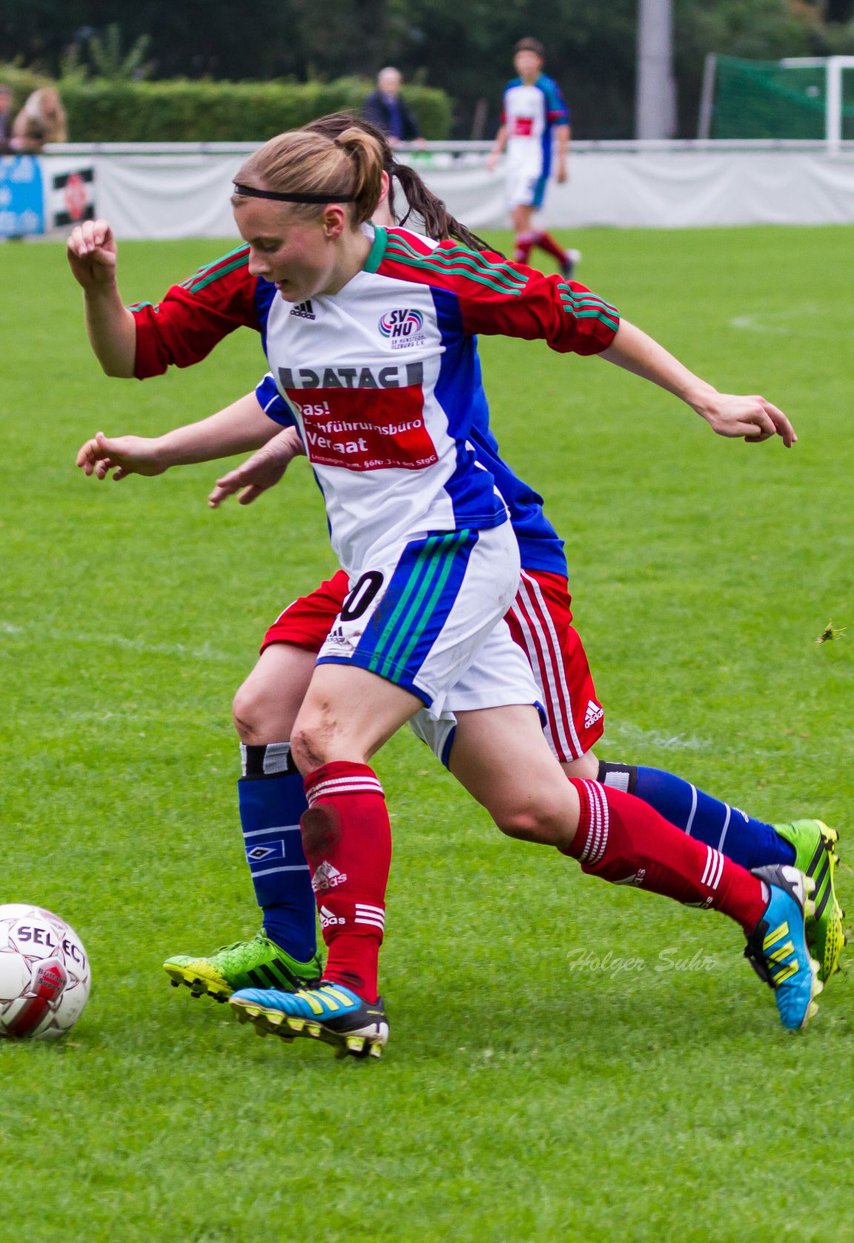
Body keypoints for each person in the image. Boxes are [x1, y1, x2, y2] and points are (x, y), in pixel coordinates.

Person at [71, 125, 832, 1056]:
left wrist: (707, 397)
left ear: (339, 217)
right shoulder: (264, 282)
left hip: (453, 542)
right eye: (249, 241)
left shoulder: (435, 278)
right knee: (533, 803)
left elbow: (580, 317)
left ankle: (349, 992)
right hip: (378, 559)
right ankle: (763, 898)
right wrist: (100, 291)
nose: (254, 263)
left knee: (322, 730)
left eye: (271, 244)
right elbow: (137, 355)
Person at [487, 37, 579, 278]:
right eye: (520, 58)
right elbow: (507, 124)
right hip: (515, 160)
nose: (524, 62)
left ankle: (519, 275)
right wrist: (496, 152)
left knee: (520, 215)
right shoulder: (511, 88)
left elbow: (562, 125)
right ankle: (564, 259)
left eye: (529, 58)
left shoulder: (547, 88)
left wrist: (562, 161)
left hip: (536, 161)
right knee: (520, 222)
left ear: (539, 62)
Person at [363, 67, 425, 147]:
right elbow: (374, 121)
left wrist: (417, 136)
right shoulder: (373, 100)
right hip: (382, 145)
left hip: (399, 144)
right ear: (380, 83)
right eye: (389, 83)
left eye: (395, 83)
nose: (392, 86)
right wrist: (385, 136)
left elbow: (409, 120)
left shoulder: (399, 101)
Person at [12, 86, 67, 153]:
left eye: (53, 102)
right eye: (48, 102)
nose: (51, 105)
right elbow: (20, 137)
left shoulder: (57, 117)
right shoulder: (30, 116)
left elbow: (59, 138)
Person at [0, 85, 14, 153]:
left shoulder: (6, 116)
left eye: (6, 99)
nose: (4, 102)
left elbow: (9, 136)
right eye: (1, 99)